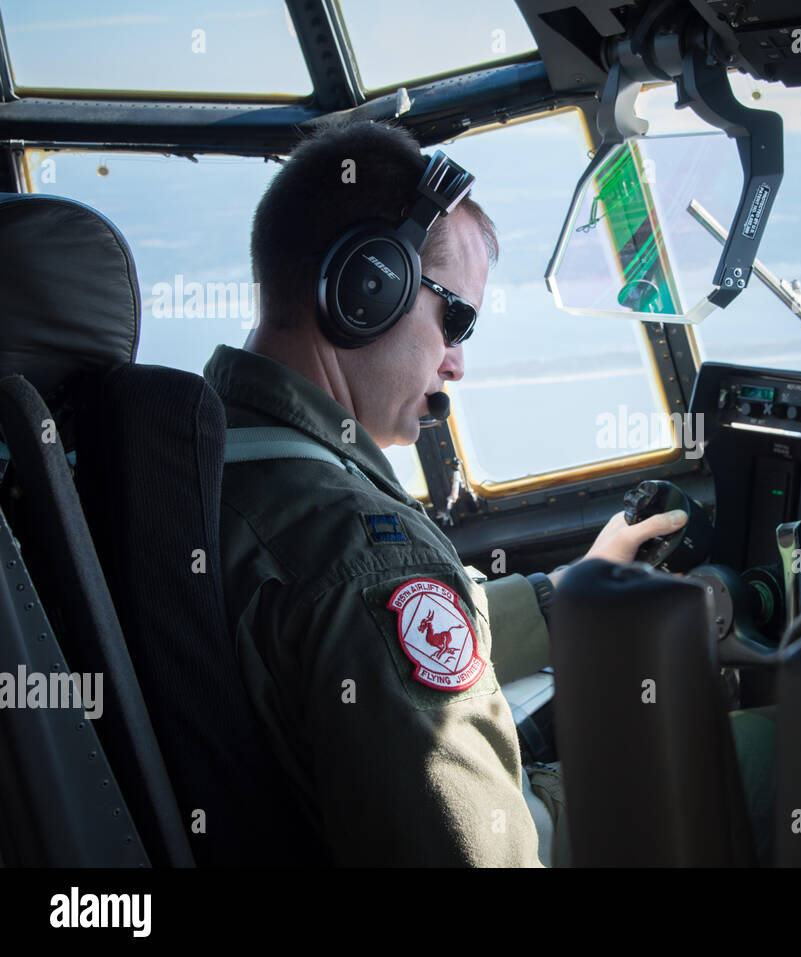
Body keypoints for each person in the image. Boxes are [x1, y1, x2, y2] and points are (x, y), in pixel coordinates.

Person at [204, 119, 684, 866]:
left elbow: (360, 628)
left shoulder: (204, 458)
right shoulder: (363, 550)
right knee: (753, 754)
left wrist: (559, 599)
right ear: (368, 288)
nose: (456, 363)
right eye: (454, 318)